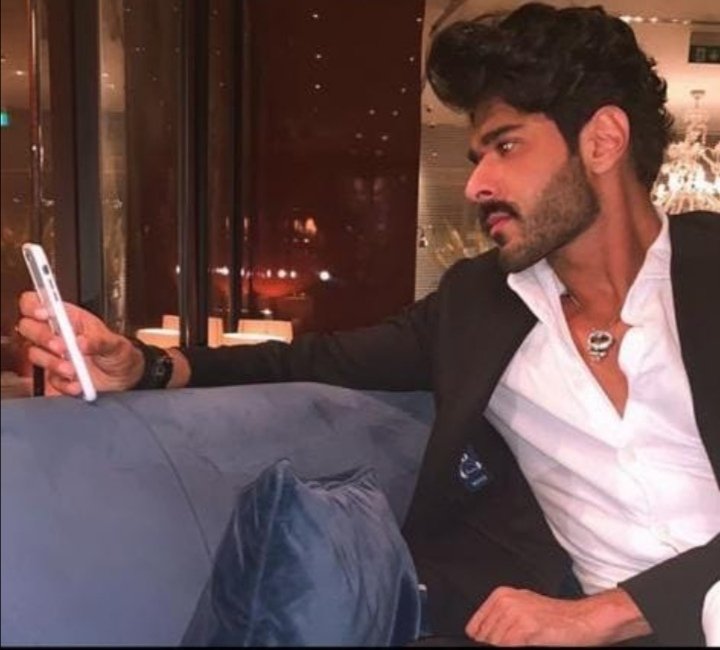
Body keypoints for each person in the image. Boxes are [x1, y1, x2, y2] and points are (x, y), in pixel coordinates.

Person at [17, 2, 719, 646]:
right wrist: (147, 366)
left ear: (602, 141)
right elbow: (310, 360)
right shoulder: (481, 306)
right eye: (476, 157)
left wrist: (611, 610)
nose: (477, 184)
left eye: (506, 147)